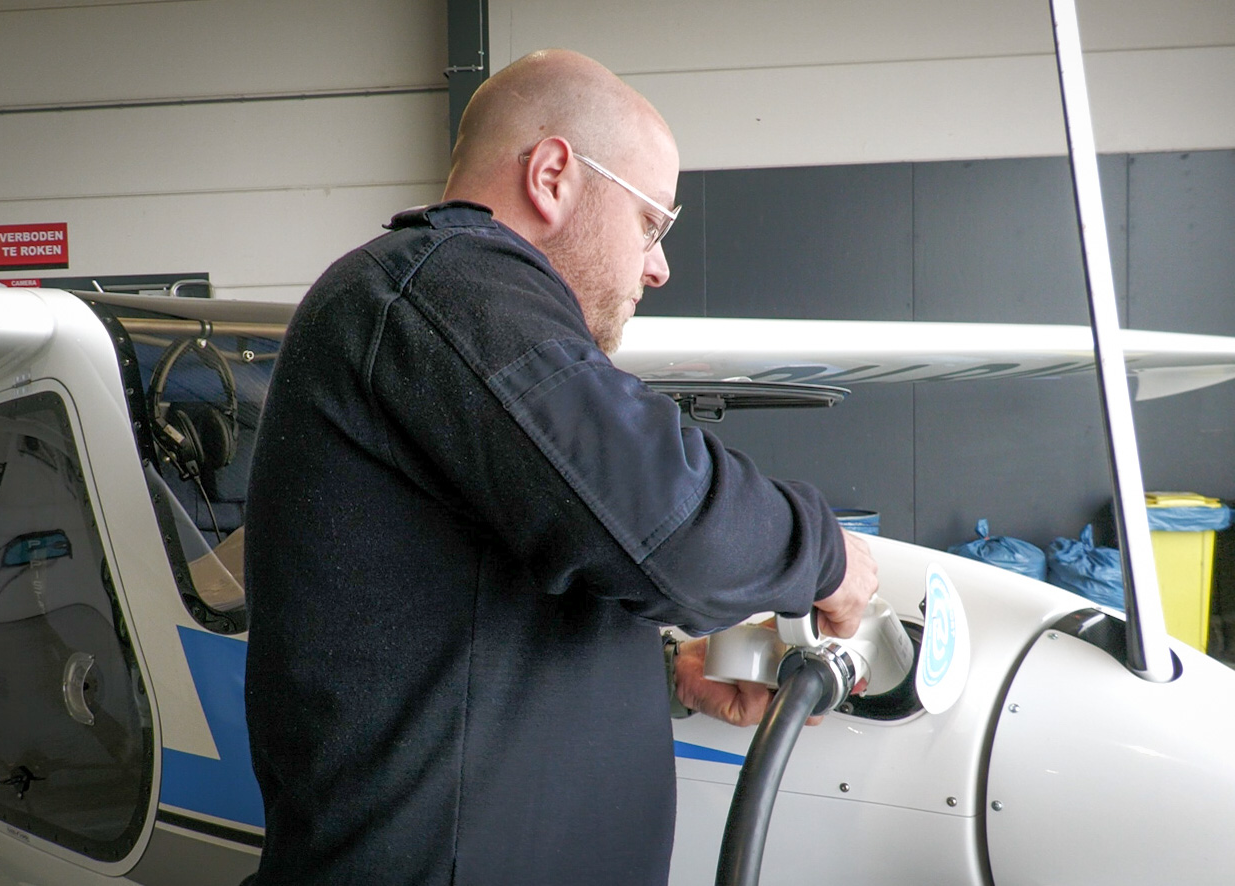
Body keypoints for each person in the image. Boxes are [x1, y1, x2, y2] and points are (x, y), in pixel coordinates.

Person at [242, 48, 877, 886]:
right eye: (651, 224)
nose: (659, 266)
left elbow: (472, 620)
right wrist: (825, 555)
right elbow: (670, 524)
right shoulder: (443, 287)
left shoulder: (439, 314)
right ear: (550, 176)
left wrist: (669, 675)